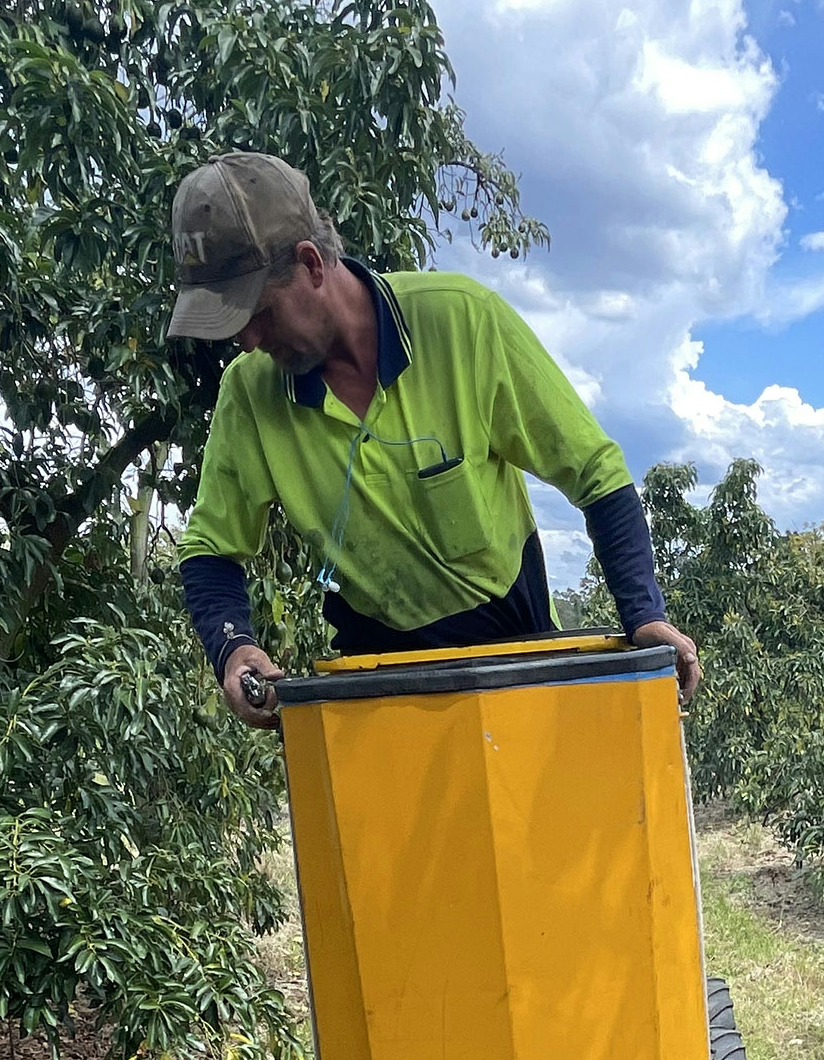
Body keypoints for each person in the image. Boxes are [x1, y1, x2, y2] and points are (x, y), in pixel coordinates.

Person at [164, 151, 698, 726]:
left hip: (510, 650)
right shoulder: (249, 393)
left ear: (311, 264)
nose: (247, 340)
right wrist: (233, 647)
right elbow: (211, 547)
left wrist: (643, 613)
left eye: (258, 312)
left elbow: (596, 472)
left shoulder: (463, 322)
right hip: (376, 676)